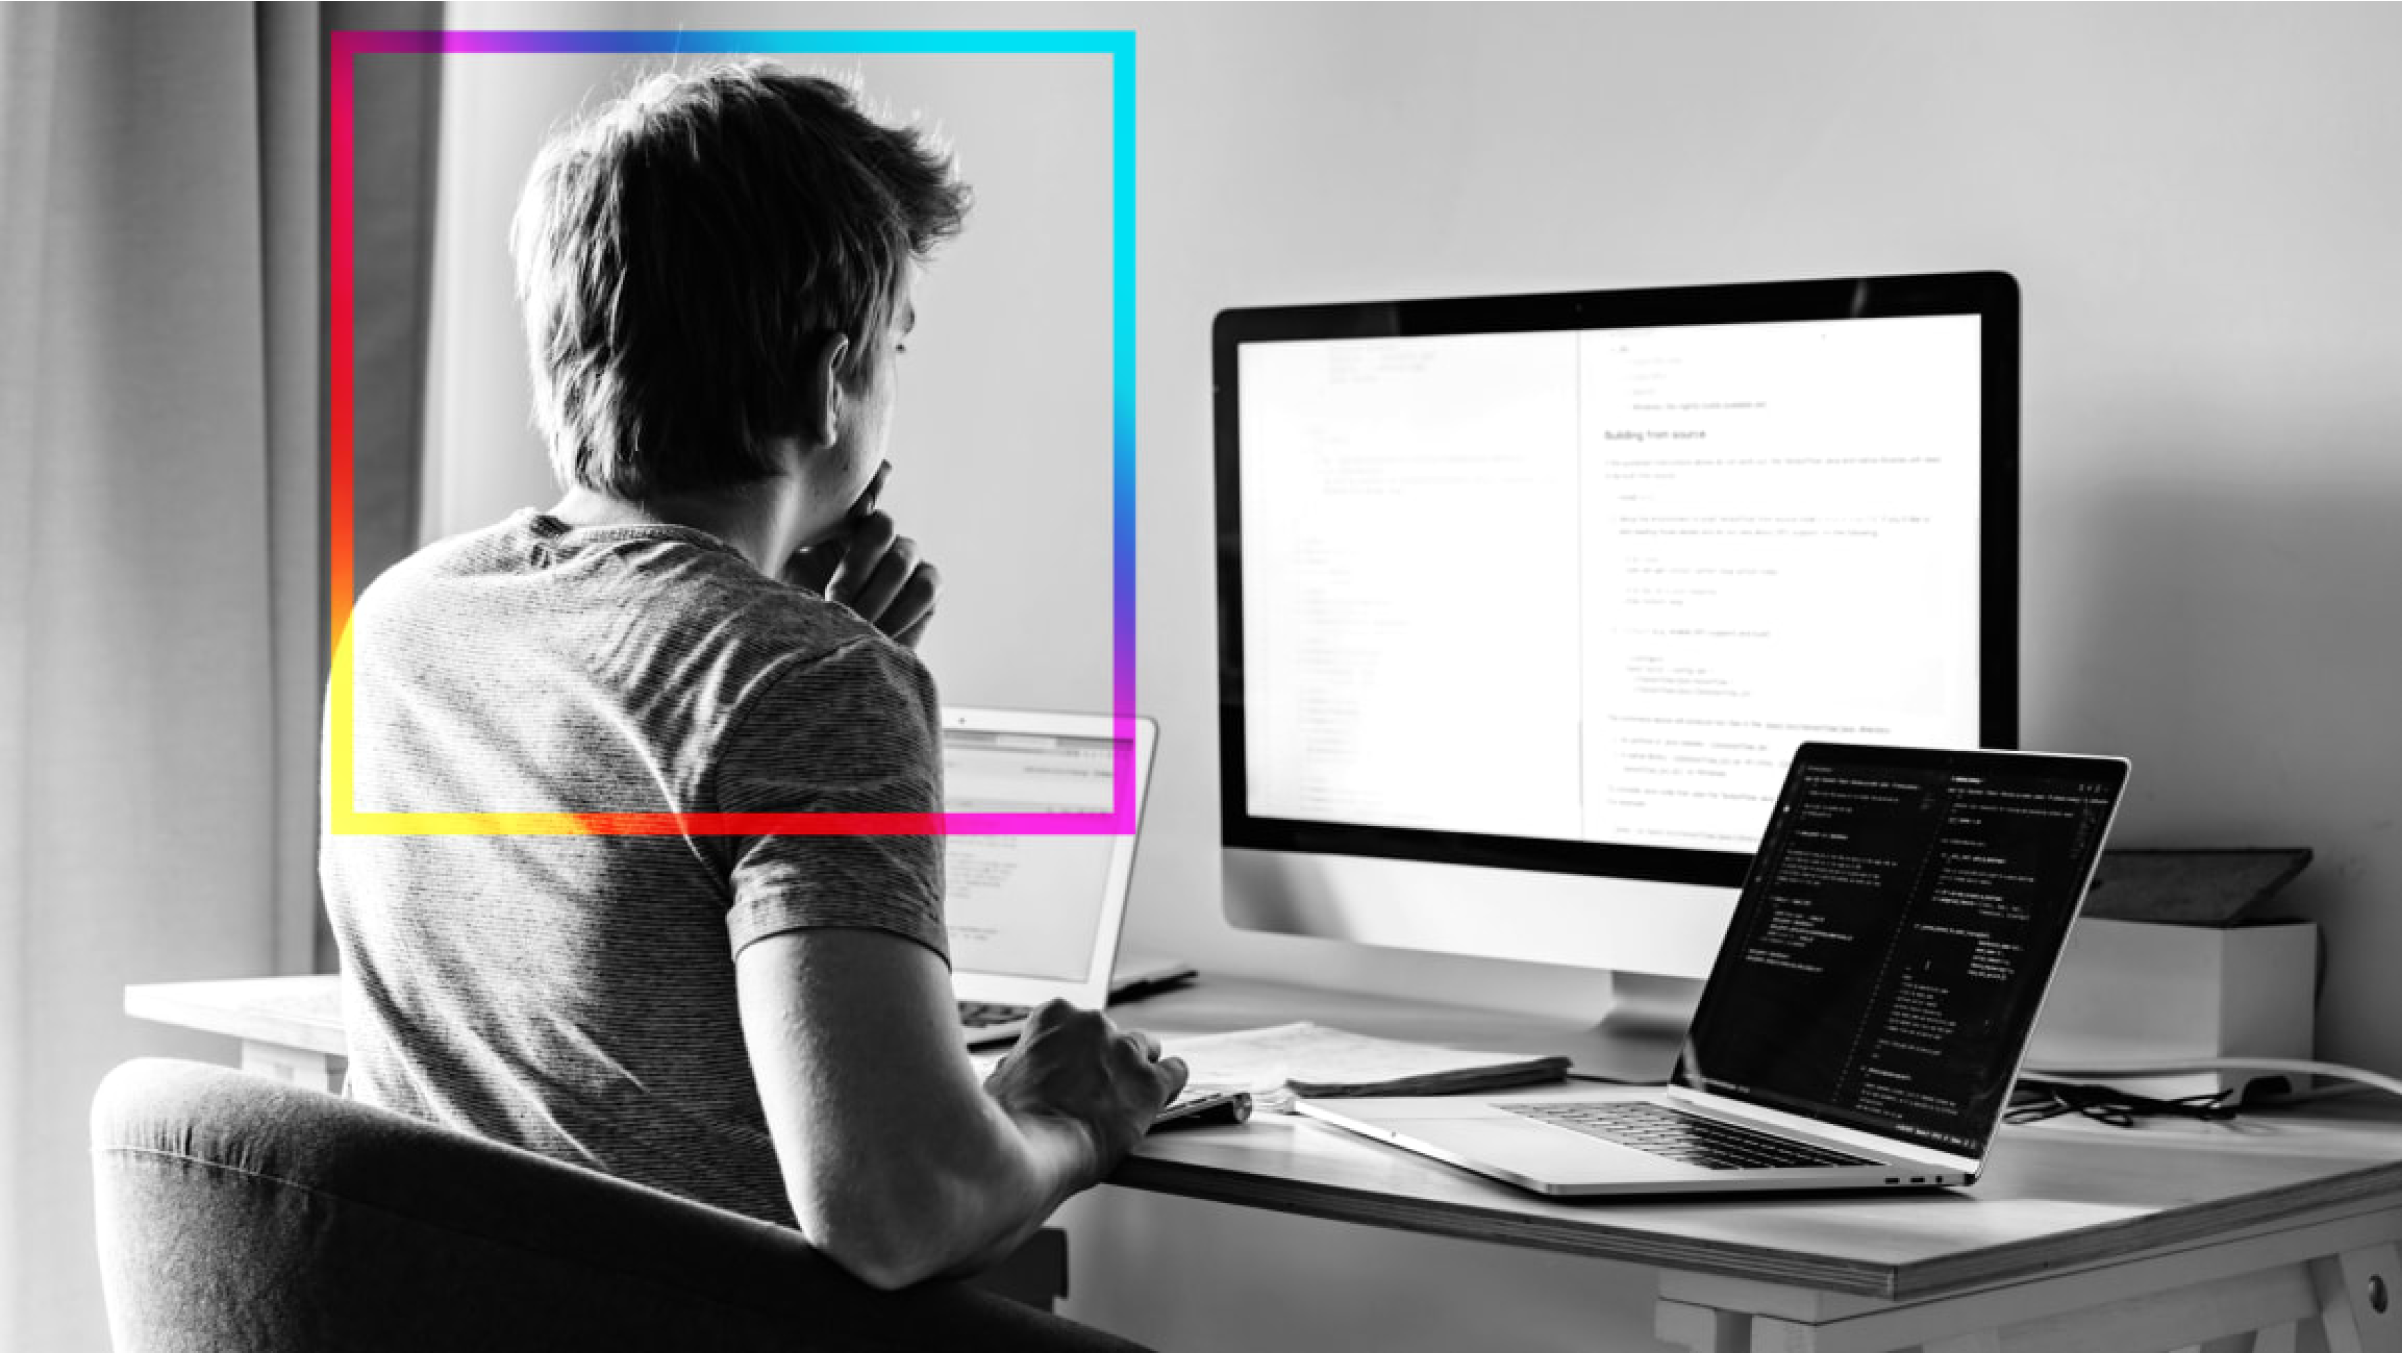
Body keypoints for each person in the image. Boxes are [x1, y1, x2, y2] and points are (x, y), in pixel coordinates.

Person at [320, 61, 1187, 1313]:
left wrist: (798, 642)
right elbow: (897, 1210)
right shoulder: (809, 680)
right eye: (893, 347)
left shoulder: (404, 618)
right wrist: (1065, 1119)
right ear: (832, 376)